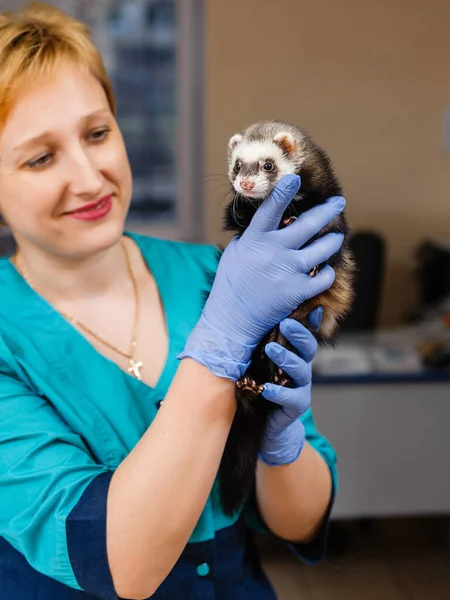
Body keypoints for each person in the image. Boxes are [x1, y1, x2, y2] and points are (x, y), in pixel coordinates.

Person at [0, 4, 346, 599]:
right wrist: (217, 352)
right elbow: (119, 565)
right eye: (40, 156)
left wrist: (281, 448)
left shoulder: (216, 274)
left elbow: (302, 521)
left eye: (98, 133)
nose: (89, 177)